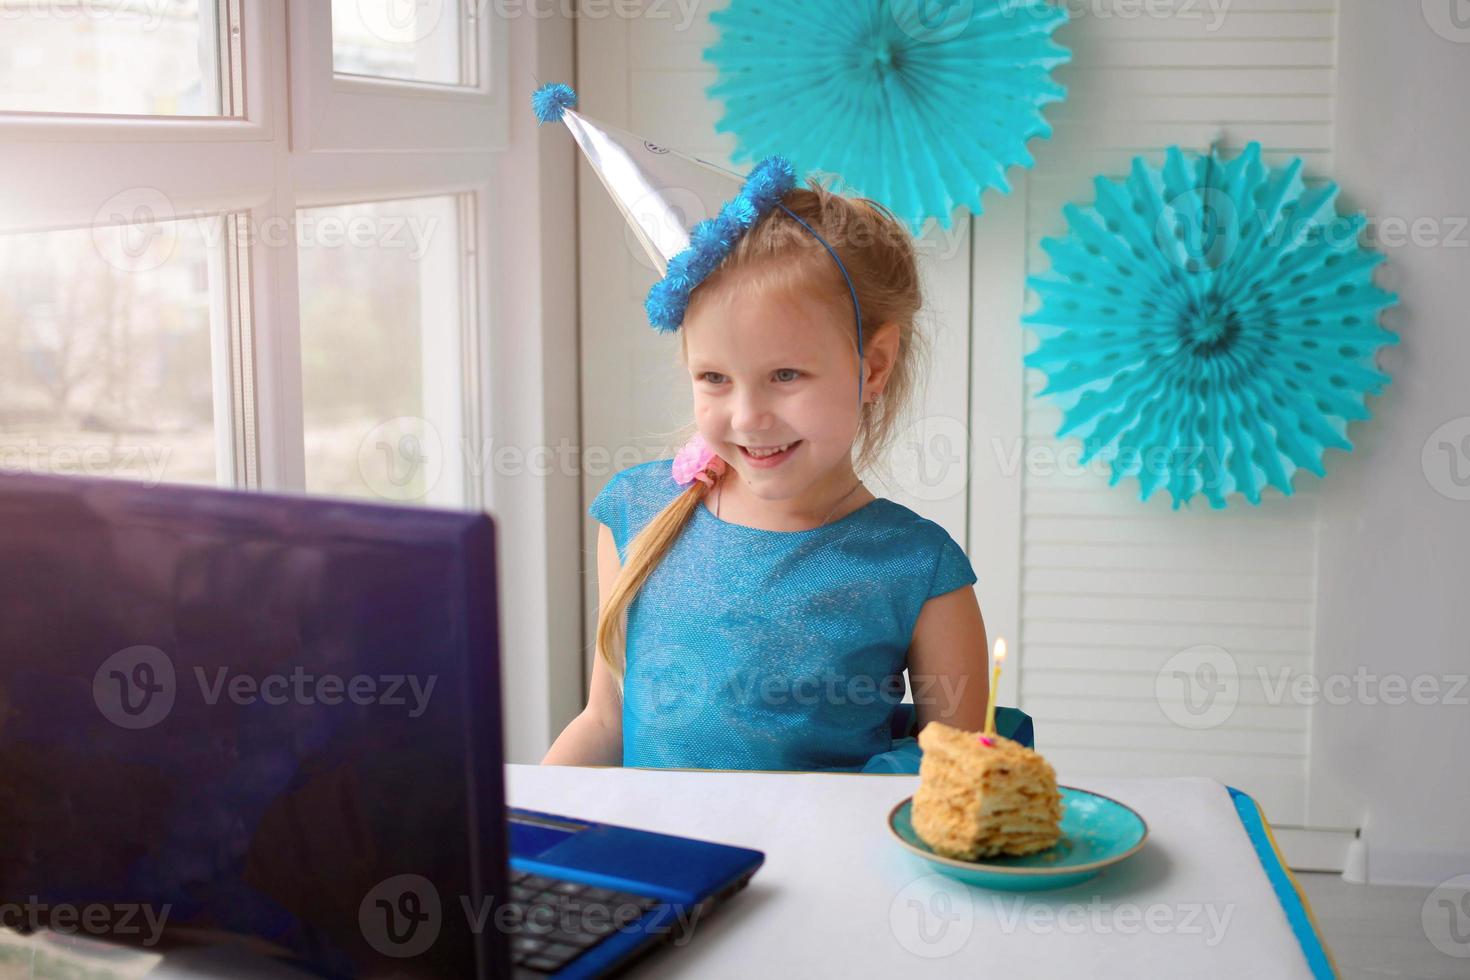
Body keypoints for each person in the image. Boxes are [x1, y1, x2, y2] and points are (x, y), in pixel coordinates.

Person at [532, 82, 988, 772]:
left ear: (873, 367)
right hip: (663, 874)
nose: (748, 417)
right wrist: (520, 837)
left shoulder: (917, 569)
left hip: (822, 872)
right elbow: (603, 722)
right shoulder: (633, 512)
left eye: (785, 376)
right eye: (714, 378)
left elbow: (959, 783)